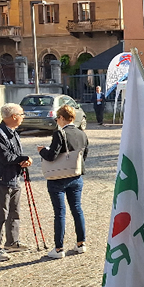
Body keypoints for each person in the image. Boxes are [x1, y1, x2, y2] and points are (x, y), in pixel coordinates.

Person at [37, 105, 89, 259]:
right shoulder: (82, 133)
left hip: (58, 178)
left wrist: (41, 150)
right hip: (76, 176)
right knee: (77, 209)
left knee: (60, 212)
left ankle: (59, 248)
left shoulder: (60, 134)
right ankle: (81, 243)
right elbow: (84, 155)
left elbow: (52, 155)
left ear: (61, 118)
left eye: (57, 118)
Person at [0, 103, 33, 262]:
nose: (23, 117)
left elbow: (16, 154)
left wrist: (23, 162)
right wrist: (23, 159)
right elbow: (6, 157)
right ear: (14, 116)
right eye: (22, 114)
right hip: (1, 180)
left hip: (14, 178)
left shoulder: (13, 132)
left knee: (14, 212)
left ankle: (12, 242)